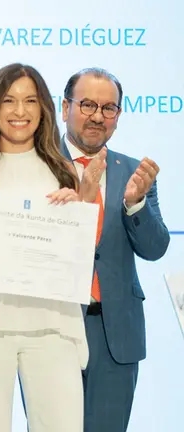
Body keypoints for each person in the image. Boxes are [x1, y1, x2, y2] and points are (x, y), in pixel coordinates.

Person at [0, 63, 101, 432]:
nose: (20, 111)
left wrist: (78, 209)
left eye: (30, 100)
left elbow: (79, 260)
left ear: (44, 109)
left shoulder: (64, 172)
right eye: (9, 100)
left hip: (52, 324)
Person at [59, 67, 169, 431]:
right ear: (65, 108)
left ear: (118, 116)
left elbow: (154, 249)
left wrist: (135, 204)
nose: (97, 116)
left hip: (115, 333)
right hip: (53, 327)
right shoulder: (38, 164)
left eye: (109, 108)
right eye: (87, 104)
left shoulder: (133, 172)